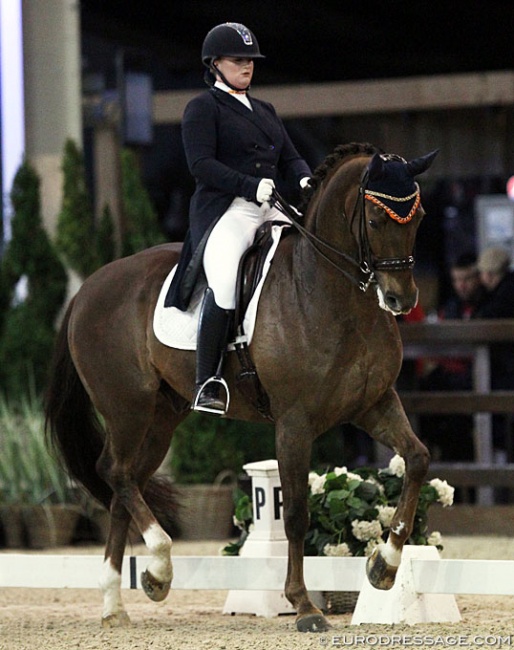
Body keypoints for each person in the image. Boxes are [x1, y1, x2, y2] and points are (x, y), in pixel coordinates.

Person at [168, 22, 312, 415]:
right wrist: (249, 186)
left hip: (271, 204)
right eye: (238, 60)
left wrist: (303, 176)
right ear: (215, 64)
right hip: (228, 209)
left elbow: (289, 155)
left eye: (250, 60)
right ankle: (207, 380)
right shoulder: (203, 108)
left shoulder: (265, 110)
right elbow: (201, 166)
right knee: (227, 278)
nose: (247, 66)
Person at [418, 253, 485, 462]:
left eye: (466, 279)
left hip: (474, 377)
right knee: (425, 390)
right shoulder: (450, 307)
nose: (461, 285)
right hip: (449, 375)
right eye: (456, 280)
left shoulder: (489, 305)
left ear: (478, 278)